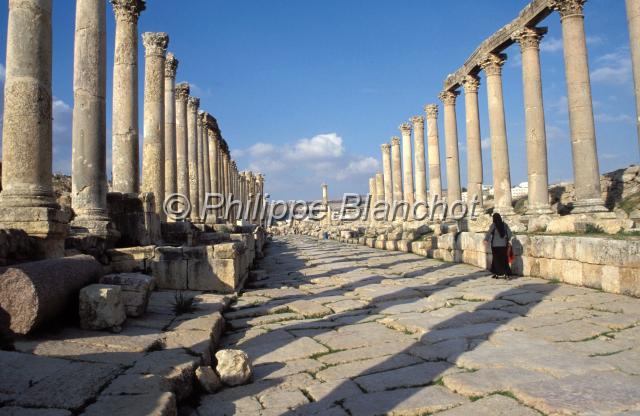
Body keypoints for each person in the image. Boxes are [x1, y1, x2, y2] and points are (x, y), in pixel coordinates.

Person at [484, 213, 513, 279]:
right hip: (503, 245)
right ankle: (506, 273)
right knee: (504, 259)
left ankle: (497, 273)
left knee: (496, 260)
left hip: (495, 246)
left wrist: (486, 240)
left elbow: (489, 232)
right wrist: (506, 238)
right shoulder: (504, 225)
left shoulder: (493, 225)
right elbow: (510, 234)